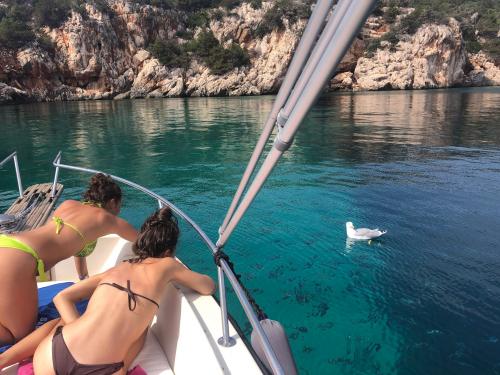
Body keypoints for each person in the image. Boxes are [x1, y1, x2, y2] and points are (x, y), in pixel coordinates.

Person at [31, 207, 215, 374]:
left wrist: (76, 326)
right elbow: (207, 287)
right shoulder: (168, 265)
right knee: (141, 332)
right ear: (168, 251)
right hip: (100, 368)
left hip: (53, 354)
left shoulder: (118, 268)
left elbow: (61, 297)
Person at [0, 173, 138, 346]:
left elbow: (77, 249)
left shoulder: (69, 205)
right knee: (19, 337)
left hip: (7, 242)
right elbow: (145, 241)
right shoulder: (108, 219)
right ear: (112, 202)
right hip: (20, 258)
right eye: (120, 205)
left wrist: (83, 281)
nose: (119, 210)